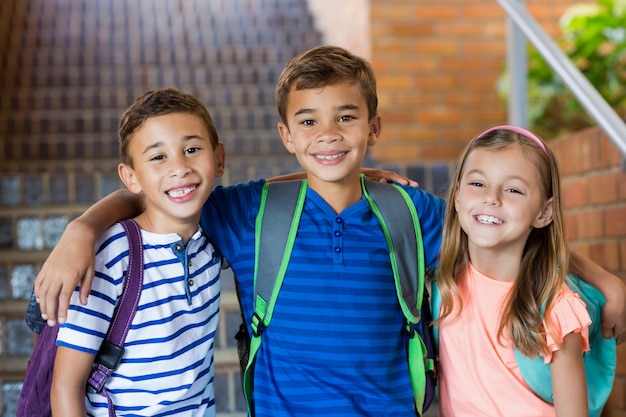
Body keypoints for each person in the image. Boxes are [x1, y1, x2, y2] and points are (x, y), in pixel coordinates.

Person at [34, 46, 626, 416]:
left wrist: (603, 279)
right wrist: (82, 230)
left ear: (374, 125)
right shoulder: (249, 211)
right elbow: (160, 196)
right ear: (286, 135)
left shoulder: (409, 211)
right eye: (308, 122)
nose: (329, 134)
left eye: (346, 118)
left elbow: (497, 221)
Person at [51, 87, 225, 416]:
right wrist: (83, 227)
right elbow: (65, 385)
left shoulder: (214, 235)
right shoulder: (113, 253)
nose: (180, 167)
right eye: (158, 157)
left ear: (219, 158)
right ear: (131, 177)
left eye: (191, 149)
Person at [435, 125, 592, 416]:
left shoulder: (555, 308)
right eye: (478, 184)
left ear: (544, 213)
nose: (492, 198)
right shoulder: (442, 285)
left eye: (513, 190)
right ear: (456, 197)